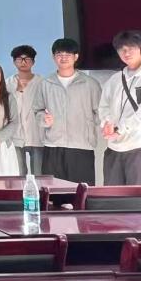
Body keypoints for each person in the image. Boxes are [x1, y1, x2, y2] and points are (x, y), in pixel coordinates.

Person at [98, 30, 141, 185]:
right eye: (122, 49)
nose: (126, 53)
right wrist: (107, 123)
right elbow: (104, 105)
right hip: (113, 147)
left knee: (137, 195)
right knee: (112, 195)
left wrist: (120, 129)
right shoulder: (115, 79)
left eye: (131, 48)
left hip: (139, 146)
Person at [31, 38, 101, 185]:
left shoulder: (90, 84)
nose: (63, 58)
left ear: (76, 57)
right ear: (53, 57)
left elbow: (100, 112)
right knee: (54, 191)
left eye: (68, 54)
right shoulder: (45, 83)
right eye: (59, 54)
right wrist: (44, 119)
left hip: (81, 146)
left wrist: (88, 125)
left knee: (81, 191)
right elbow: (37, 110)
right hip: (53, 145)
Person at [5, 45, 44, 176]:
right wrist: (18, 91)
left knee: (38, 174)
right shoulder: (8, 83)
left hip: (36, 133)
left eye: (27, 59)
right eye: (19, 59)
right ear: (14, 62)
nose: (23, 62)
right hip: (15, 134)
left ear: (33, 62)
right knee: (18, 173)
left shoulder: (42, 82)